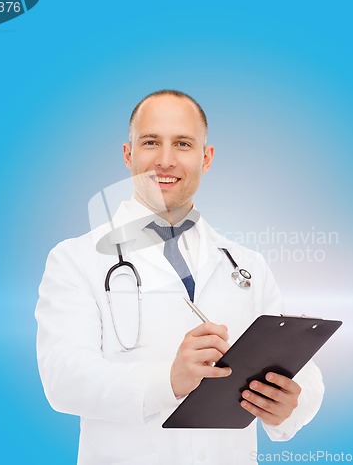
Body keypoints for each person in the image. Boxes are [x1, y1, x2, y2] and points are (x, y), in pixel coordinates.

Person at [35, 90, 324, 465]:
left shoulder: (245, 264)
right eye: (151, 142)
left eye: (183, 144)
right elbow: (64, 380)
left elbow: (303, 369)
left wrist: (292, 403)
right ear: (128, 155)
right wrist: (168, 381)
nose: (165, 160)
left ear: (206, 158)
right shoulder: (75, 259)